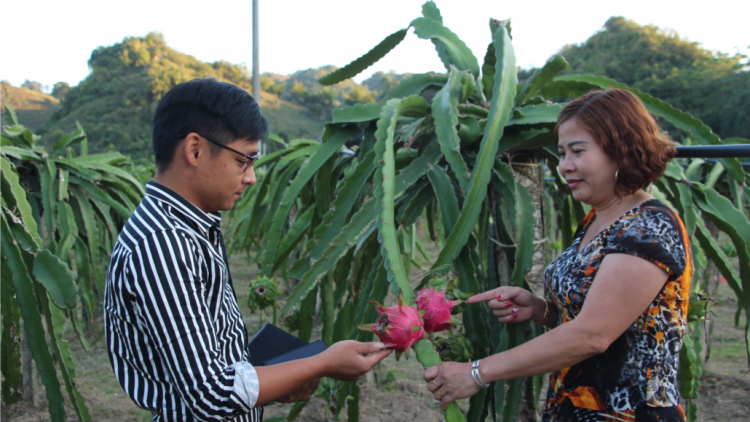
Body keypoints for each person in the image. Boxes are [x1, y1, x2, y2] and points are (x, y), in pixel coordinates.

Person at [104, 78, 391, 422]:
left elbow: (212, 360)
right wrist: (323, 362)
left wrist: (279, 380)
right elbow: (212, 395)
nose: (251, 177)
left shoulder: (193, 226)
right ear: (194, 150)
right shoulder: (163, 244)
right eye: (244, 160)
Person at [424, 88, 692, 422]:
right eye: (562, 153)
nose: (565, 166)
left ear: (622, 149)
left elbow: (594, 334)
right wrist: (540, 309)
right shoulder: (598, 219)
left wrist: (477, 372)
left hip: (628, 413)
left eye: (577, 151)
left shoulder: (647, 228)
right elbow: (613, 317)